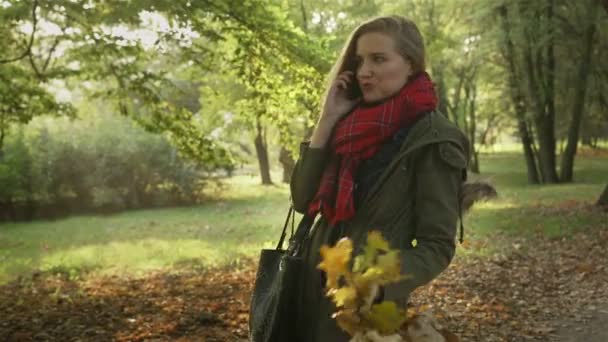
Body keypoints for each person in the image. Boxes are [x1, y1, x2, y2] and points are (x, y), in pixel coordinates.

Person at [289, 15, 470, 341]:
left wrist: (373, 283)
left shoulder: (432, 139)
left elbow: (437, 246)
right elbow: (303, 200)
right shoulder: (346, 125)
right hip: (307, 294)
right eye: (359, 61)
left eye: (379, 59)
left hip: (365, 316)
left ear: (411, 65)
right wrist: (326, 121)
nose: (363, 71)